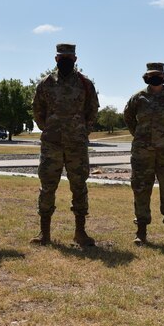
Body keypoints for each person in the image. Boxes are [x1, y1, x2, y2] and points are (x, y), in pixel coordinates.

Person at [32, 43, 100, 246]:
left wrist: (82, 130)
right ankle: (44, 233)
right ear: (56, 59)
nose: (65, 62)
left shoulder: (85, 84)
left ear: (75, 59)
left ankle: (80, 233)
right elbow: (37, 109)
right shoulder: (46, 83)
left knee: (79, 187)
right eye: (62, 58)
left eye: (69, 58)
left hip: (76, 145)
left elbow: (93, 110)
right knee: (47, 187)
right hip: (51, 144)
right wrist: (48, 128)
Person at [123, 63, 164, 245]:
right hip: (142, 152)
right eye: (151, 75)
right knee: (141, 190)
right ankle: (141, 231)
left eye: (158, 75)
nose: (155, 78)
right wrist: (139, 134)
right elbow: (128, 117)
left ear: (163, 76)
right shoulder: (139, 98)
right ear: (146, 77)